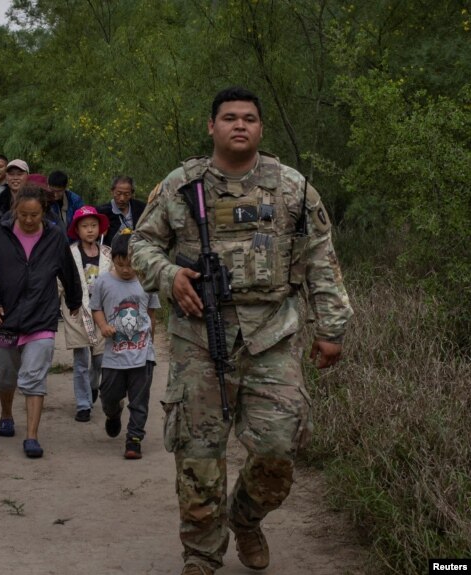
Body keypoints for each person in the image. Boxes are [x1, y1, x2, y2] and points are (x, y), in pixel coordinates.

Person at [130, 86, 353, 575]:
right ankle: (202, 557)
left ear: (260, 128)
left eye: (248, 118)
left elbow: (321, 259)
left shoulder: (292, 187)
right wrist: (169, 276)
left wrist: (331, 327)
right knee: (199, 457)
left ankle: (246, 520)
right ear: (211, 126)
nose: (239, 125)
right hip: (198, 338)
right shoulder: (179, 185)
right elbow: (140, 245)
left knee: (279, 448)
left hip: (272, 334)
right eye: (229, 117)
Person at [0, 186, 82, 458]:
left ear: (43, 213)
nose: (27, 220)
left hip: (41, 317)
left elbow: (68, 271)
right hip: (6, 317)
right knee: (6, 375)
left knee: (34, 377)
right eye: (23, 214)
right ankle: (6, 414)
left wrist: (74, 301)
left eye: (34, 215)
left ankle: (32, 437)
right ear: (15, 211)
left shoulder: (54, 236)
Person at [90, 234, 160, 459]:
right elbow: (96, 307)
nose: (126, 270)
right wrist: (103, 326)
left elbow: (151, 312)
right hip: (114, 354)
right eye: (121, 265)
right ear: (112, 259)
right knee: (109, 395)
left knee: (140, 400)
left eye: (130, 264)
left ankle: (134, 440)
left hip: (142, 354)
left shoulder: (147, 281)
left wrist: (151, 338)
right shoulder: (103, 281)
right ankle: (113, 413)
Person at [59, 205, 111, 422]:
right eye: (85, 226)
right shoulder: (69, 253)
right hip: (77, 312)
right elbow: (60, 281)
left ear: (100, 228)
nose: (90, 230)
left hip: (103, 314)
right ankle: (83, 404)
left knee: (100, 360)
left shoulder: (108, 253)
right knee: (81, 360)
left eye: (93, 226)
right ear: (77, 230)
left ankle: (93, 385)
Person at [97, 175, 146, 247]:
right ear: (112, 192)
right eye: (118, 193)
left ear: (132, 194)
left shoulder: (141, 208)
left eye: (126, 194)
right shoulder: (103, 212)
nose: (122, 198)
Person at [45, 170, 85, 235]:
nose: (55, 194)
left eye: (59, 191)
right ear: (48, 186)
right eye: (52, 190)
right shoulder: (44, 201)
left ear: (65, 188)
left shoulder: (75, 200)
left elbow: (83, 221)